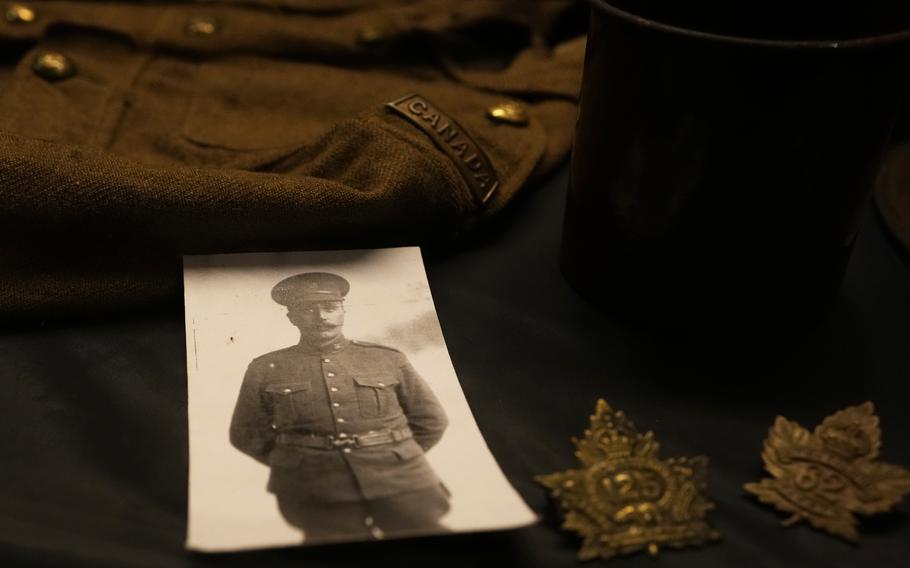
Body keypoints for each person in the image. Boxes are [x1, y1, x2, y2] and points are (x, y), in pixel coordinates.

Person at [229, 271, 450, 542]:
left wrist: (396, 453)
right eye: (308, 309)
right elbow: (245, 433)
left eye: (330, 308)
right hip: (315, 486)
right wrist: (296, 462)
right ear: (292, 317)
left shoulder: (387, 358)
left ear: (343, 311)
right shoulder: (265, 368)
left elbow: (431, 420)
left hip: (401, 480)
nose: (321, 317)